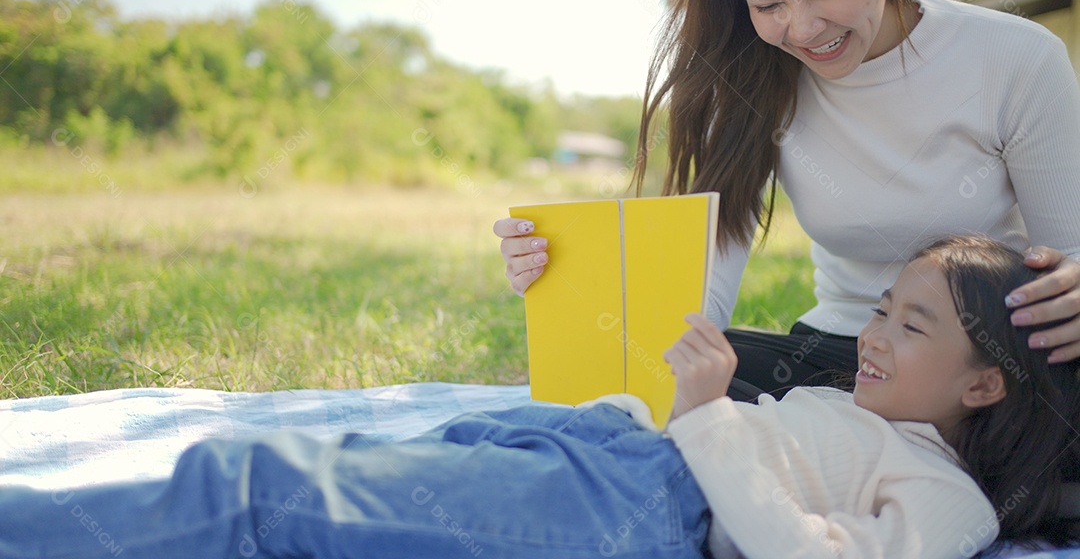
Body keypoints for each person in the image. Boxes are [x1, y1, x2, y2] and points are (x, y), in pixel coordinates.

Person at [1, 235, 1077, 558]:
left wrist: (708, 412)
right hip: (597, 451)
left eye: (910, 324)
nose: (872, 334)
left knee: (260, 487)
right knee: (336, 481)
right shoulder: (855, 407)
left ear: (987, 382)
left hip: (636, 506)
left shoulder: (951, 499)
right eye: (881, 307)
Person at [494, 0, 1080, 399]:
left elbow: (1068, 256)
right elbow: (701, 297)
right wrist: (571, 280)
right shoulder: (749, 78)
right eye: (767, 5)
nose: (800, 30)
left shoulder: (1015, 58)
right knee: (640, 384)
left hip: (984, 362)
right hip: (838, 358)